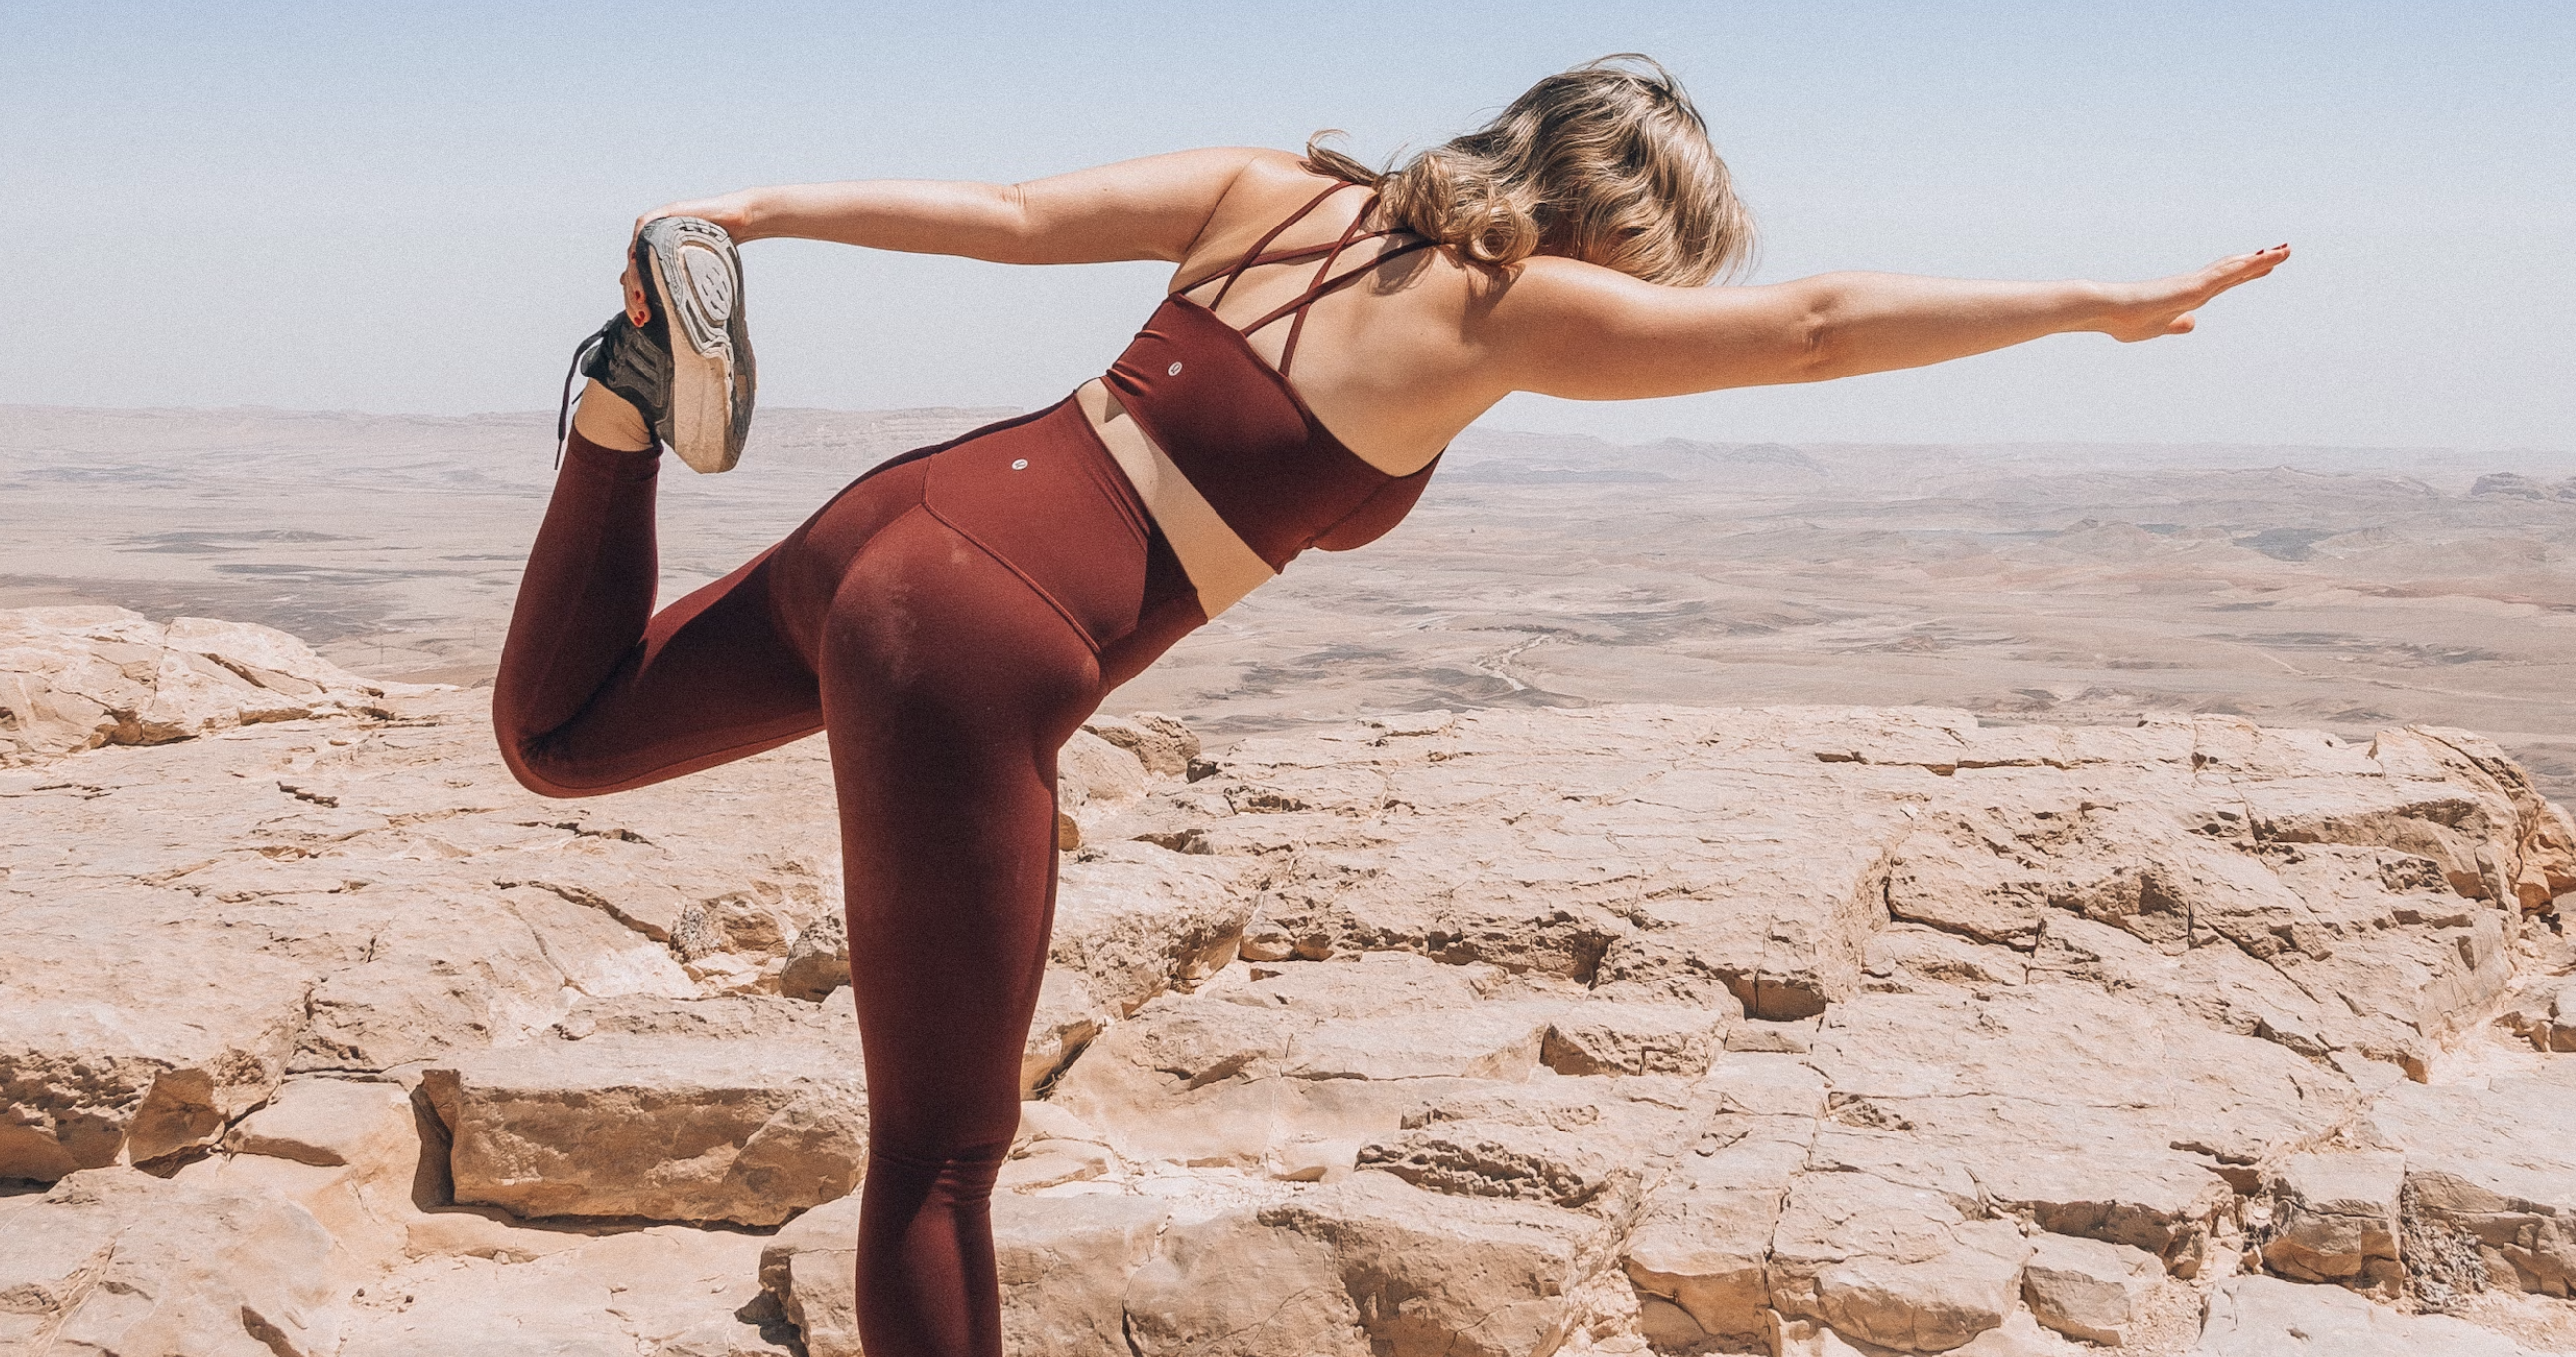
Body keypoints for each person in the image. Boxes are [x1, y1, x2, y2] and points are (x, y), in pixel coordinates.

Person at [492, 54, 2285, 1357]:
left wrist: (759, 213)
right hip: (979, 639)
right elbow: (1815, 328)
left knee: (562, 738)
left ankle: (618, 414)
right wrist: (2086, 307)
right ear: (1618, 232)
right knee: (942, 1159)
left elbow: (1014, 216)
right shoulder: (1511, 309)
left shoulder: (1276, 191)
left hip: (909, 510)